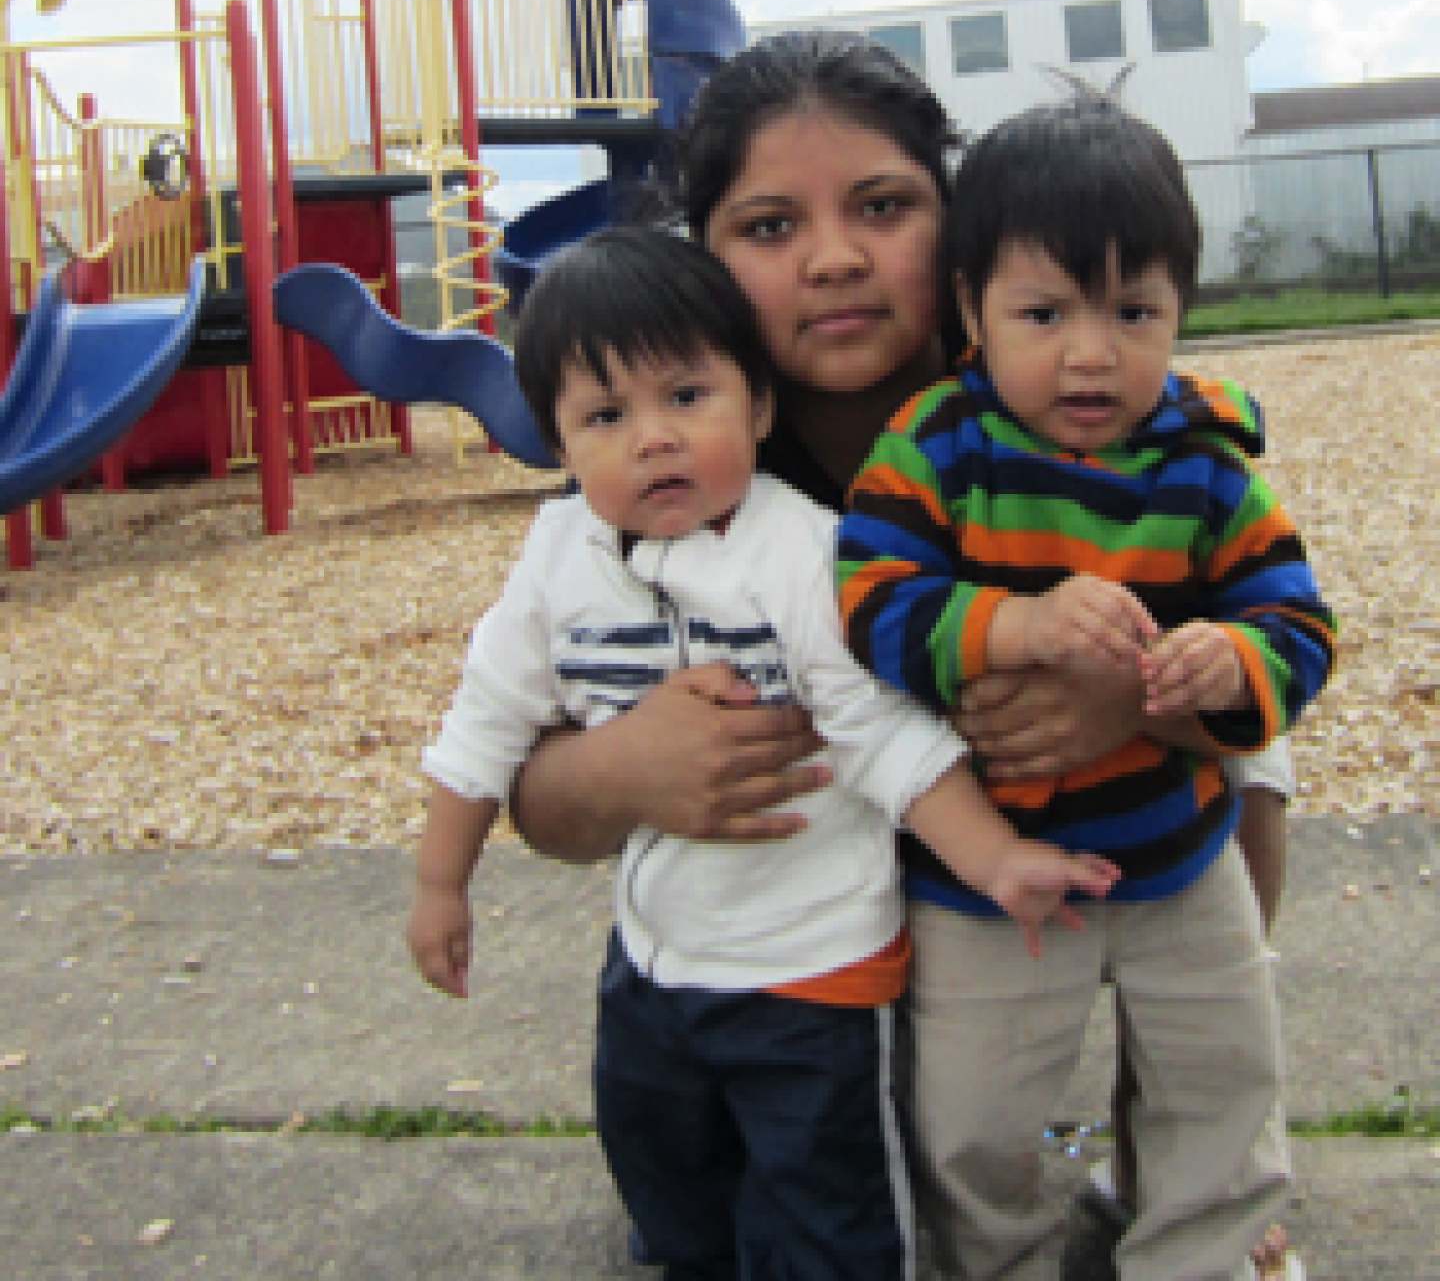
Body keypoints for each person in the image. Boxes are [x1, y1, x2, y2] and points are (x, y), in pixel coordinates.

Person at [505, 30, 1302, 1278]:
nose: (834, 257)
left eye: (884, 206)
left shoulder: (1070, 412)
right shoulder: (667, 479)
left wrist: (1141, 706)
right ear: (701, 263)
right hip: (803, 943)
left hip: (1080, 863)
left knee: (1250, 789)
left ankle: (1190, 1179)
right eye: (768, 228)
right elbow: (531, 785)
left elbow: (1268, 658)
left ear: (966, 232)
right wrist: (628, 770)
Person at [408, 224, 1119, 1280]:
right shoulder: (558, 557)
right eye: (606, 416)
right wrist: (439, 885)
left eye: (687, 398)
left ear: (760, 406)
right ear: (559, 443)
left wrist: (995, 858)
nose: (652, 438)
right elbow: (487, 719)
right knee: (667, 1177)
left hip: (814, 970)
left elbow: (881, 733)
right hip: (653, 964)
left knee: (826, 1212)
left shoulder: (801, 551)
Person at [836, 97, 1335, 1280]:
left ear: (1182, 314)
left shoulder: (1205, 465)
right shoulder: (939, 447)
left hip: (1177, 848)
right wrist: (1010, 625)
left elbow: (1298, 621)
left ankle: (1196, 1253)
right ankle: (995, 1260)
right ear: (971, 312)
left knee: (1220, 1078)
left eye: (1135, 311)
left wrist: (1230, 666)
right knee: (974, 1118)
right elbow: (870, 601)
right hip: (989, 882)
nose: (1093, 353)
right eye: (1045, 313)